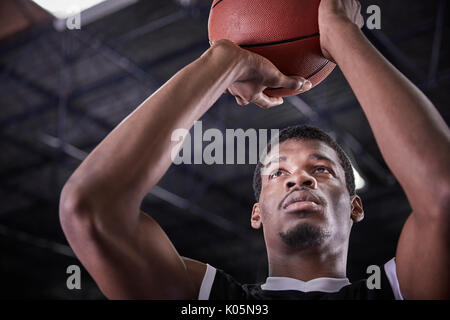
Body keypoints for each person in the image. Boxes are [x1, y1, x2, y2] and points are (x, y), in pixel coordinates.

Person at [59, 0, 450, 299]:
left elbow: (443, 193)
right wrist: (223, 59)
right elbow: (91, 210)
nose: (299, 177)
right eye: (277, 173)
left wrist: (341, 32)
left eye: (323, 169)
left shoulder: (398, 292)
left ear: (355, 206)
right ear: (257, 213)